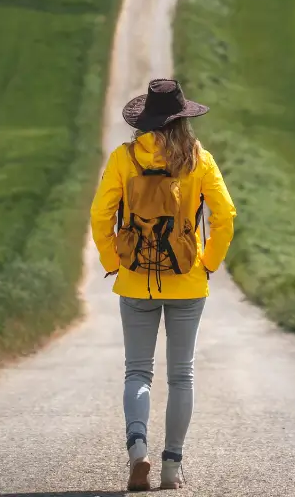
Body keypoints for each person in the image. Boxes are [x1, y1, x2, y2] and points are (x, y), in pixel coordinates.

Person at [90, 79, 236, 492]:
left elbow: (101, 215)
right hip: (187, 280)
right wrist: (208, 263)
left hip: (135, 279)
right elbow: (225, 216)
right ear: (183, 119)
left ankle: (138, 451)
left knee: (137, 371)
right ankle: (172, 466)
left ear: (145, 121)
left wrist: (112, 261)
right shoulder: (198, 159)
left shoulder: (124, 158)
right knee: (181, 376)